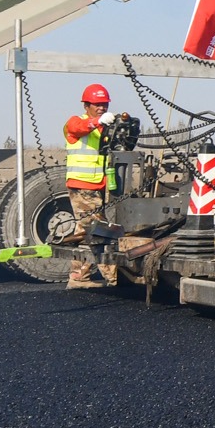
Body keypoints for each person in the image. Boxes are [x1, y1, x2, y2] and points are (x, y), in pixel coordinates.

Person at [64, 83, 119, 288]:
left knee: (83, 231)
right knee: (99, 231)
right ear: (86, 105)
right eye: (97, 104)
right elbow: (77, 129)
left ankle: (78, 276)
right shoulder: (76, 122)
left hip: (97, 185)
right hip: (82, 186)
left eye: (104, 104)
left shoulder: (104, 127)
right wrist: (97, 122)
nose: (102, 108)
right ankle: (113, 277)